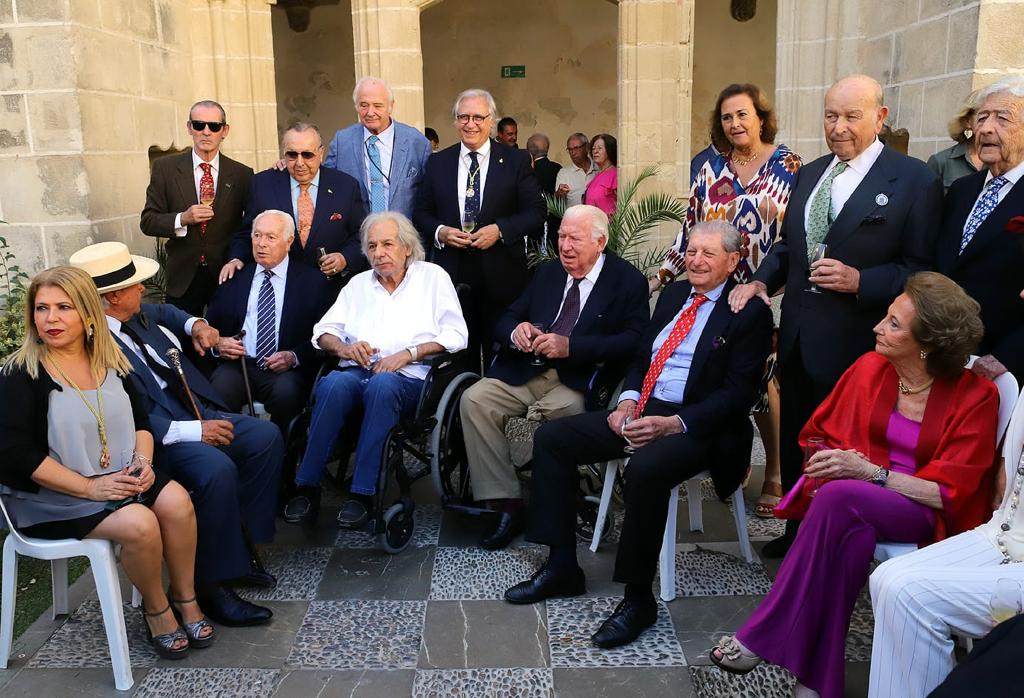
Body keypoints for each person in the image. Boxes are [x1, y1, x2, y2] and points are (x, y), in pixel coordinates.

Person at [709, 272, 999, 698]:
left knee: (840, 495)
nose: (877, 327)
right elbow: (819, 432)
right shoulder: (871, 369)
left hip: (927, 511)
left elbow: (949, 493)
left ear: (929, 342)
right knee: (850, 534)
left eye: (894, 324)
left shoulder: (976, 396)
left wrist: (871, 474)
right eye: (885, 316)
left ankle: (763, 631)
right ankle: (818, 684)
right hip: (858, 506)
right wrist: (834, 459)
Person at [504, 221, 772, 650]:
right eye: (691, 251)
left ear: (734, 261)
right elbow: (641, 356)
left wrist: (673, 424)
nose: (695, 261)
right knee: (553, 439)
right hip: (646, 407)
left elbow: (738, 394)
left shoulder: (748, 312)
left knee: (646, 469)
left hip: (701, 423)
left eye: (708, 254)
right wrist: (628, 401)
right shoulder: (672, 295)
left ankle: (637, 598)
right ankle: (561, 566)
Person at [728, 74, 942, 557]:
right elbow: (789, 248)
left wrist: (860, 281)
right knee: (800, 434)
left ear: (880, 117)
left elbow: (921, 269)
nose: (838, 127)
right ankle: (797, 528)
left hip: (858, 344)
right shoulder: (811, 173)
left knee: (848, 445)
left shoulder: (914, 181)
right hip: (801, 336)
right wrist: (762, 280)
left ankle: (838, 536)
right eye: (830, 116)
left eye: (852, 116)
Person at [0, 266, 214, 658]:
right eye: (42, 308)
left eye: (64, 307)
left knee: (177, 501)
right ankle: (157, 610)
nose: (51, 319)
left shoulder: (111, 360)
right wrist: (89, 487)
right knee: (140, 522)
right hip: (54, 496)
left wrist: (143, 463)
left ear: (87, 313)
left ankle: (185, 597)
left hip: (119, 477)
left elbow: (142, 423)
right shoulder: (21, 373)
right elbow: (14, 454)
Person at [71, 242, 284, 627]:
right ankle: (209, 585)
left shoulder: (139, 314)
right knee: (214, 468)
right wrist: (195, 431)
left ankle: (237, 549)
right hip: (155, 438)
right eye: (136, 285)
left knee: (264, 438)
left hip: (193, 409)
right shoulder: (92, 346)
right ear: (112, 298)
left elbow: (170, 311)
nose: (144, 289)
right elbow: (124, 418)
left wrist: (198, 326)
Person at [459, 205, 649, 550]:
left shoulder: (627, 280)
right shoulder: (548, 273)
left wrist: (572, 347)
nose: (565, 246)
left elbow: (634, 341)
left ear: (600, 242)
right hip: (527, 370)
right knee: (474, 399)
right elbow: (509, 315)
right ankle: (507, 501)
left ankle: (559, 491)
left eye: (574, 239)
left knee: (558, 418)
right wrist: (516, 329)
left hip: (580, 378)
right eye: (561, 236)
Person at [653, 83, 802, 519]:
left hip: (764, 288)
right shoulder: (709, 166)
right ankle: (728, 454)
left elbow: (791, 235)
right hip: (716, 288)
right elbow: (691, 228)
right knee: (721, 373)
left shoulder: (788, 164)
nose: (735, 124)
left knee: (764, 379)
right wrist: (664, 273)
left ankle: (773, 470)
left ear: (760, 117)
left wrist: (761, 283)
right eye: (726, 117)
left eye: (742, 114)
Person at [284, 212, 468, 527]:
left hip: (411, 381)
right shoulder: (358, 284)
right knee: (332, 384)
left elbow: (456, 335)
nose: (378, 253)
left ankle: (363, 492)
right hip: (359, 373)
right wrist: (344, 349)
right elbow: (323, 332)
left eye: (387, 244)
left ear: (407, 247)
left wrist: (408, 354)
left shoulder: (433, 277)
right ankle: (307, 485)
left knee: (382, 386)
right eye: (372, 246)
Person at [413, 89, 545, 365]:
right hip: (453, 274)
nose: (470, 124)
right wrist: (441, 232)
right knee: (458, 354)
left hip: (502, 275)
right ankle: (459, 406)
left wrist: (500, 230)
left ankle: (496, 406)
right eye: (464, 117)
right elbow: (421, 213)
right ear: (455, 121)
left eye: (478, 117)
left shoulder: (515, 161)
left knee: (503, 354)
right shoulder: (438, 162)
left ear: (491, 120)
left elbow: (536, 213)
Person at [205, 210, 333, 438]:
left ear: (289, 241)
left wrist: (294, 356)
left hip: (286, 369)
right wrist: (219, 345)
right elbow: (209, 328)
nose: (261, 244)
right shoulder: (234, 278)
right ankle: (228, 456)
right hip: (240, 365)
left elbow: (325, 337)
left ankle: (283, 459)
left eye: (270, 237)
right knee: (219, 389)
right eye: (257, 235)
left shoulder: (313, 282)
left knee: (288, 394)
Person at [934, 75, 1024, 384]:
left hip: (1004, 367)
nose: (985, 128)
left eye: (1002, 118)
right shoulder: (961, 189)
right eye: (982, 118)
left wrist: (1008, 356)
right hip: (944, 353)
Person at [221, 122, 367, 290]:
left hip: (332, 289)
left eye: (307, 155)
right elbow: (247, 232)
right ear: (283, 154)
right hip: (278, 290)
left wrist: (344, 258)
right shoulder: (262, 184)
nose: (299, 162)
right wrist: (236, 259)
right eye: (292, 154)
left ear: (321, 153)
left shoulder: (345, 186)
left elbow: (360, 235)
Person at [140, 100, 253, 316]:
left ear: (224, 131)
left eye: (214, 126)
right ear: (190, 128)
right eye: (199, 125)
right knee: (181, 341)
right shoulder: (165, 169)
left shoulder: (242, 174)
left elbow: (249, 224)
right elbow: (148, 220)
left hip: (225, 274)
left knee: (225, 340)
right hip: (182, 278)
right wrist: (182, 218)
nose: (206, 132)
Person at [322, 76, 433, 219]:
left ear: (391, 106)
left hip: (404, 236)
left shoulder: (416, 142)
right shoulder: (342, 141)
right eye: (363, 105)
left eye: (378, 105)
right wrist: (286, 167)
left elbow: (430, 193)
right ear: (356, 106)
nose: (370, 112)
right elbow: (324, 182)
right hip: (358, 235)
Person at [927, 88, 983, 192]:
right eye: (983, 117)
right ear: (968, 121)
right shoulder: (941, 162)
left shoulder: (1006, 163)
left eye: (1001, 117)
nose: (990, 125)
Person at [527, 133, 563, 249]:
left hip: (533, 224)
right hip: (555, 224)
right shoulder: (558, 168)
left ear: (530, 151)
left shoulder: (527, 171)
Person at [555, 133, 597, 208]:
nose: (573, 153)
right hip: (575, 218)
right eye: (570, 149)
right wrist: (559, 193)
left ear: (587, 147)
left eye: (576, 148)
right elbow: (557, 202)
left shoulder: (599, 168)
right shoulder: (564, 173)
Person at [583, 134, 617, 218]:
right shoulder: (597, 175)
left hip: (608, 228)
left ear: (609, 150)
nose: (595, 151)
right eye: (593, 148)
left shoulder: (615, 174)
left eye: (600, 148)